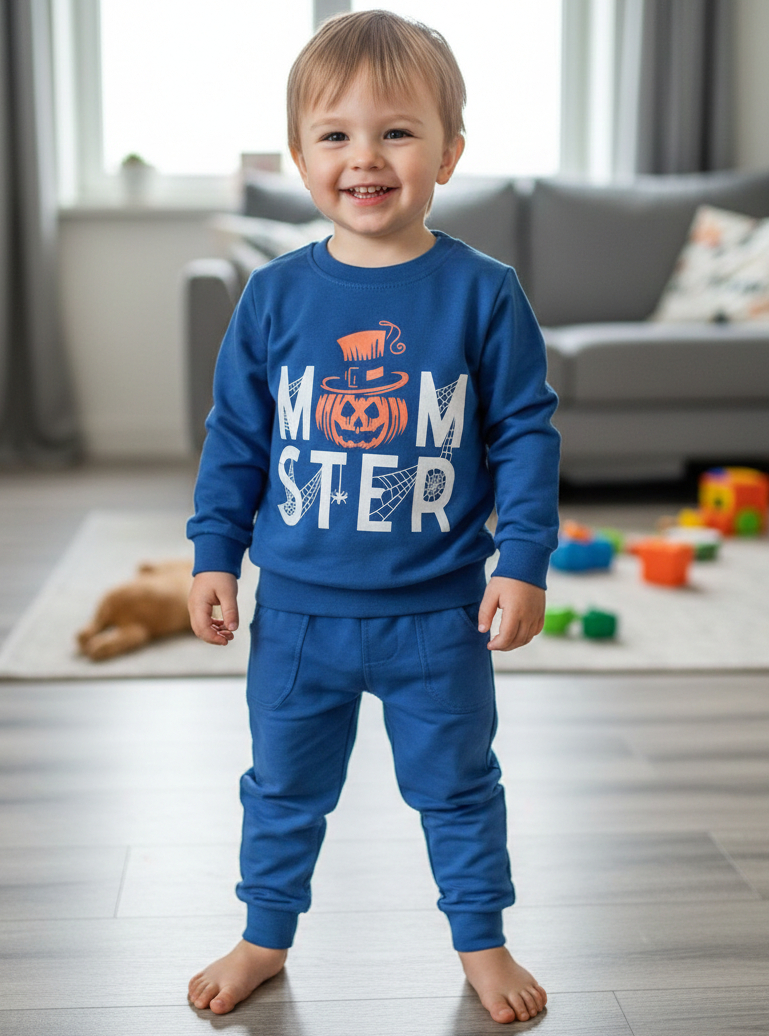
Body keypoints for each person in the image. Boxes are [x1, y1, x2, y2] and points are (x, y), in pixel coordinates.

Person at [185, 9, 559, 1024]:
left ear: (449, 153)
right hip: (297, 615)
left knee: (459, 786)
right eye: (335, 134)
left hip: (438, 616)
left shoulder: (484, 293)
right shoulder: (273, 298)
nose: (366, 157)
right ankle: (265, 936)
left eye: (397, 132)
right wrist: (214, 554)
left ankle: (481, 941)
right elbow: (236, 437)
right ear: (300, 156)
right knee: (281, 787)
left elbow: (525, 433)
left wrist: (522, 560)